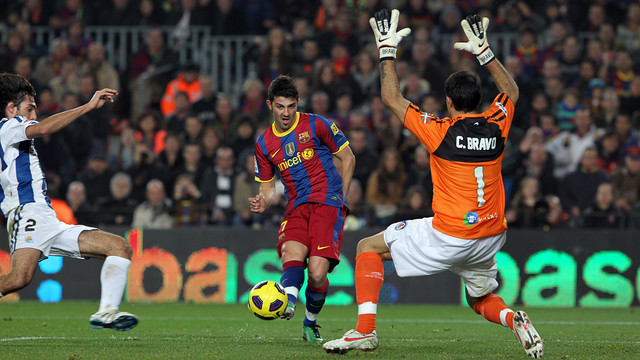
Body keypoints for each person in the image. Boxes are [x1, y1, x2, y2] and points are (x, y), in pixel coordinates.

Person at [323, 10, 543, 358]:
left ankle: (365, 331)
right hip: (490, 235)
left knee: (367, 247)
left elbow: (392, 99)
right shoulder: (497, 121)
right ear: (478, 100)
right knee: (479, 297)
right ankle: (512, 318)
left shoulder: (440, 131)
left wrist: (386, 49)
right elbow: (511, 90)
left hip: (451, 234)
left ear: (449, 101)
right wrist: (485, 53)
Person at [0, 73, 137, 331]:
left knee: (120, 247)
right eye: (29, 108)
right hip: (27, 215)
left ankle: (106, 312)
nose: (33, 115)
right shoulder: (9, 126)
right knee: (18, 279)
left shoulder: (14, 134)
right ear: (11, 108)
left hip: (47, 218)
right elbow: (44, 128)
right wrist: (87, 105)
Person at [250, 75, 355, 343]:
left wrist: (340, 195)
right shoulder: (263, 144)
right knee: (290, 253)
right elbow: (268, 188)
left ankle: (310, 322)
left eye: (291, 106)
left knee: (318, 274)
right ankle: (289, 301)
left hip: (327, 204)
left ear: (298, 103)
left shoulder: (317, 124)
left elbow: (347, 157)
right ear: (270, 105)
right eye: (280, 106)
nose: (286, 113)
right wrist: (264, 200)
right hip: (296, 206)